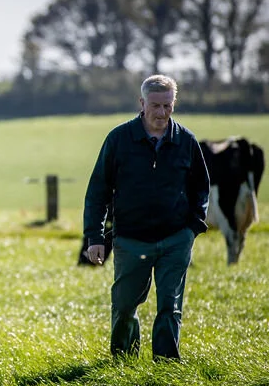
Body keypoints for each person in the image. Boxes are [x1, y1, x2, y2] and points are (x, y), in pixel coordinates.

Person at [83, 74, 210, 361]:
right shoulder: (119, 139)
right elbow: (98, 190)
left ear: (173, 104)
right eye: (155, 105)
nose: (162, 113)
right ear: (142, 103)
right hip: (131, 239)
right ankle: (124, 360)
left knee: (170, 305)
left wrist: (192, 228)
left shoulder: (186, 141)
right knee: (125, 305)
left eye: (167, 105)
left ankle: (166, 363)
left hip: (176, 238)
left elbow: (201, 187)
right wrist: (94, 237)